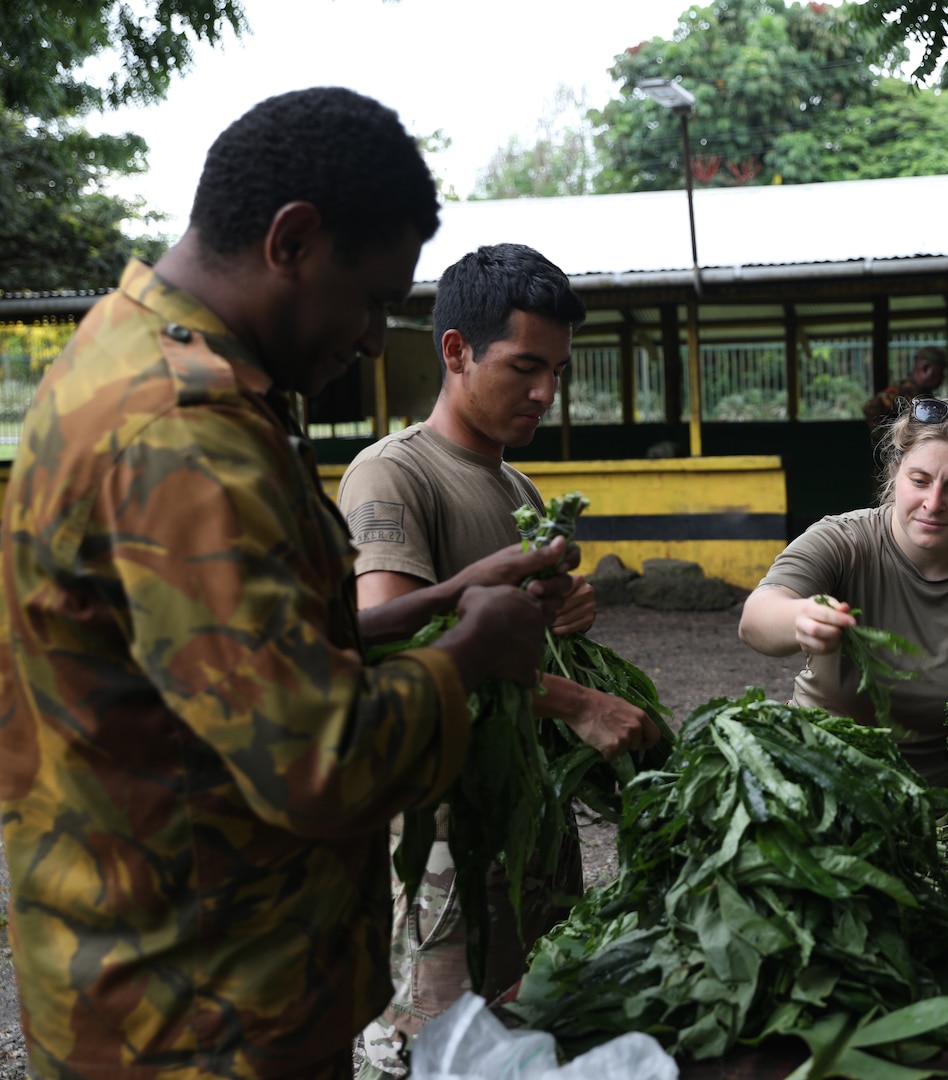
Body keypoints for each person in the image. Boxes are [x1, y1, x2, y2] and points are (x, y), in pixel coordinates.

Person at [0, 88, 575, 1079]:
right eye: (368, 301)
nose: (365, 339)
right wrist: (472, 656)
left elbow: (235, 660)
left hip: (170, 976)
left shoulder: (120, 352)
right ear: (292, 241)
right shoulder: (185, 433)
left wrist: (439, 601)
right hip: (193, 1020)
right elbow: (317, 758)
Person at [338, 243, 662, 1077]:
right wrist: (581, 706)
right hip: (444, 834)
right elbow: (393, 637)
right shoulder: (393, 472)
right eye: (525, 366)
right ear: (456, 352)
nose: (546, 392)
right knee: (433, 1048)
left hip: (526, 816)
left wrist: (567, 616)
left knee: (525, 1032)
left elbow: (508, 626)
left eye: (557, 369)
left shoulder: (515, 487)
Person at [739, 397, 948, 793]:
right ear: (895, 472)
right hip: (826, 781)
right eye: (920, 481)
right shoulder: (841, 542)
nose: (933, 504)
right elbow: (758, 616)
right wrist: (799, 619)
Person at [863, 345, 946, 432]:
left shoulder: (923, 393)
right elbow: (871, 406)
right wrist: (892, 440)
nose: (942, 377)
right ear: (926, 368)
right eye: (940, 372)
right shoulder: (901, 392)